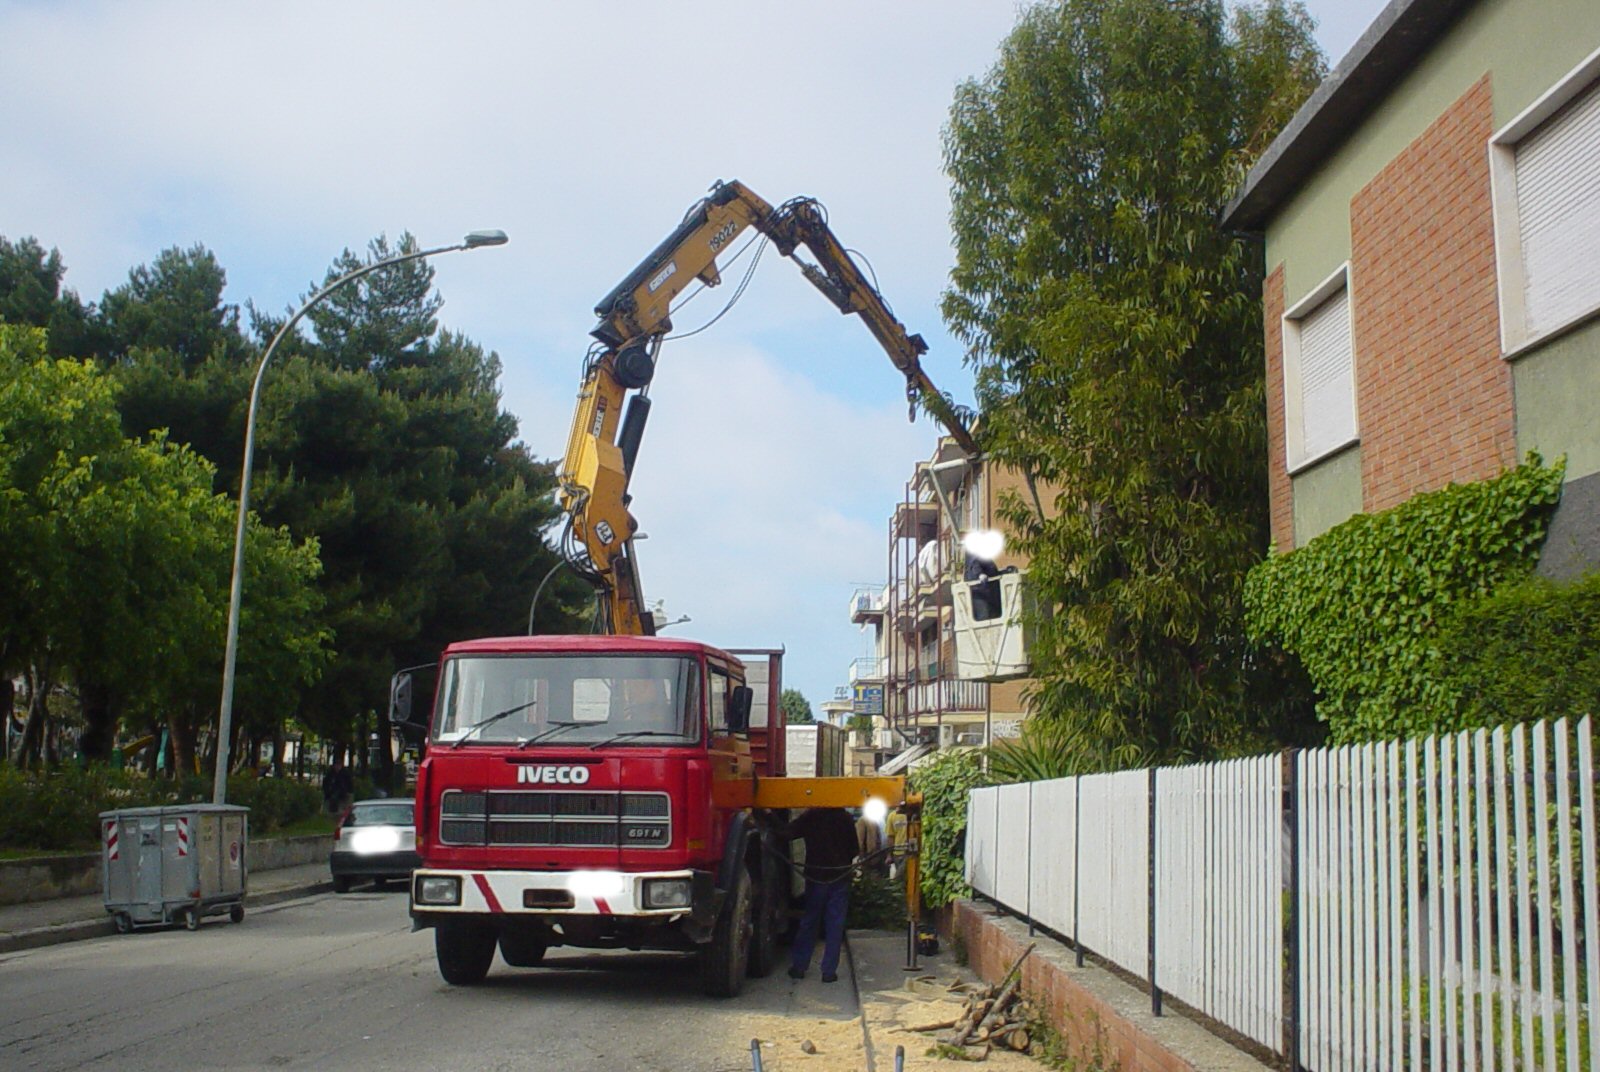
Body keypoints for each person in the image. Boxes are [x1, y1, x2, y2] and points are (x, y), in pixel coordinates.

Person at [784, 807, 859, 983]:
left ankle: (799, 967)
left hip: (816, 877)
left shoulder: (811, 816)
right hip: (839, 877)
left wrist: (768, 816)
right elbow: (854, 849)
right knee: (835, 925)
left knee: (809, 922)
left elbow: (786, 833)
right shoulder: (845, 818)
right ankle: (828, 972)